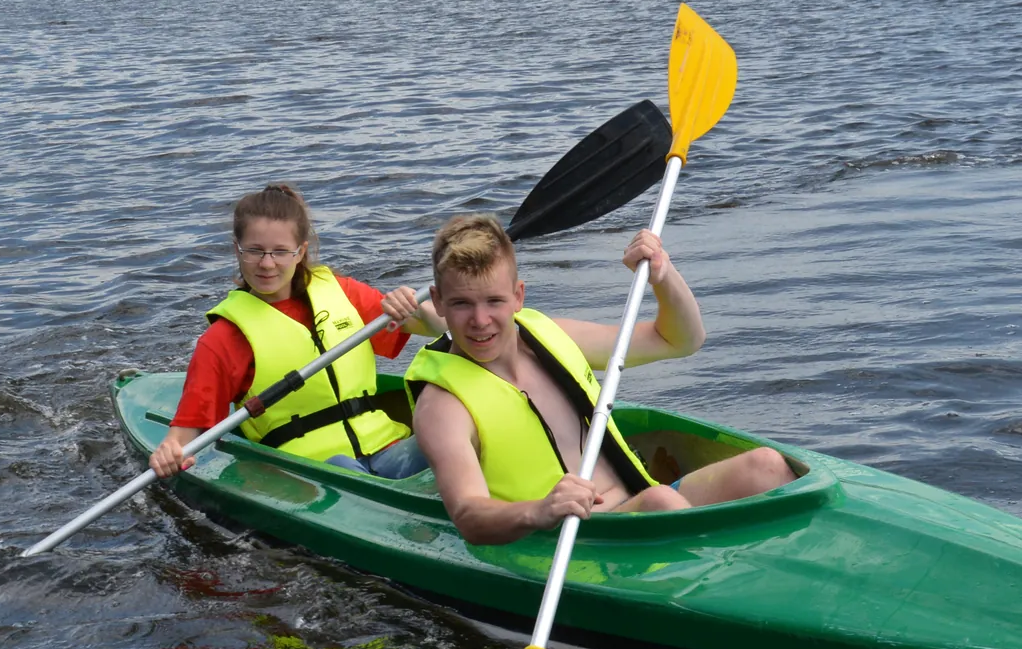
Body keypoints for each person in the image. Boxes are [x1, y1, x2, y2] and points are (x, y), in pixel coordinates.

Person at [406, 212, 793, 545]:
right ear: (438, 302)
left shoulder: (551, 334)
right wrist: (540, 511)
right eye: (461, 304)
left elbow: (680, 340)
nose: (480, 320)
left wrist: (662, 275)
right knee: (660, 502)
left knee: (766, 466)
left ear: (518, 296)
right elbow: (469, 515)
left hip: (643, 503)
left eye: (494, 301)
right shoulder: (442, 406)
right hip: (576, 541)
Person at [150, 183, 438, 481]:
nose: (267, 264)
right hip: (306, 471)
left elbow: (436, 327)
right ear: (237, 249)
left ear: (300, 252)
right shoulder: (223, 339)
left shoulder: (344, 293)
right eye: (255, 251)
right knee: (343, 467)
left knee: (451, 435)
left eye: (280, 252)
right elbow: (186, 434)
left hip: (388, 451)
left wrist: (415, 308)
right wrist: (170, 449)